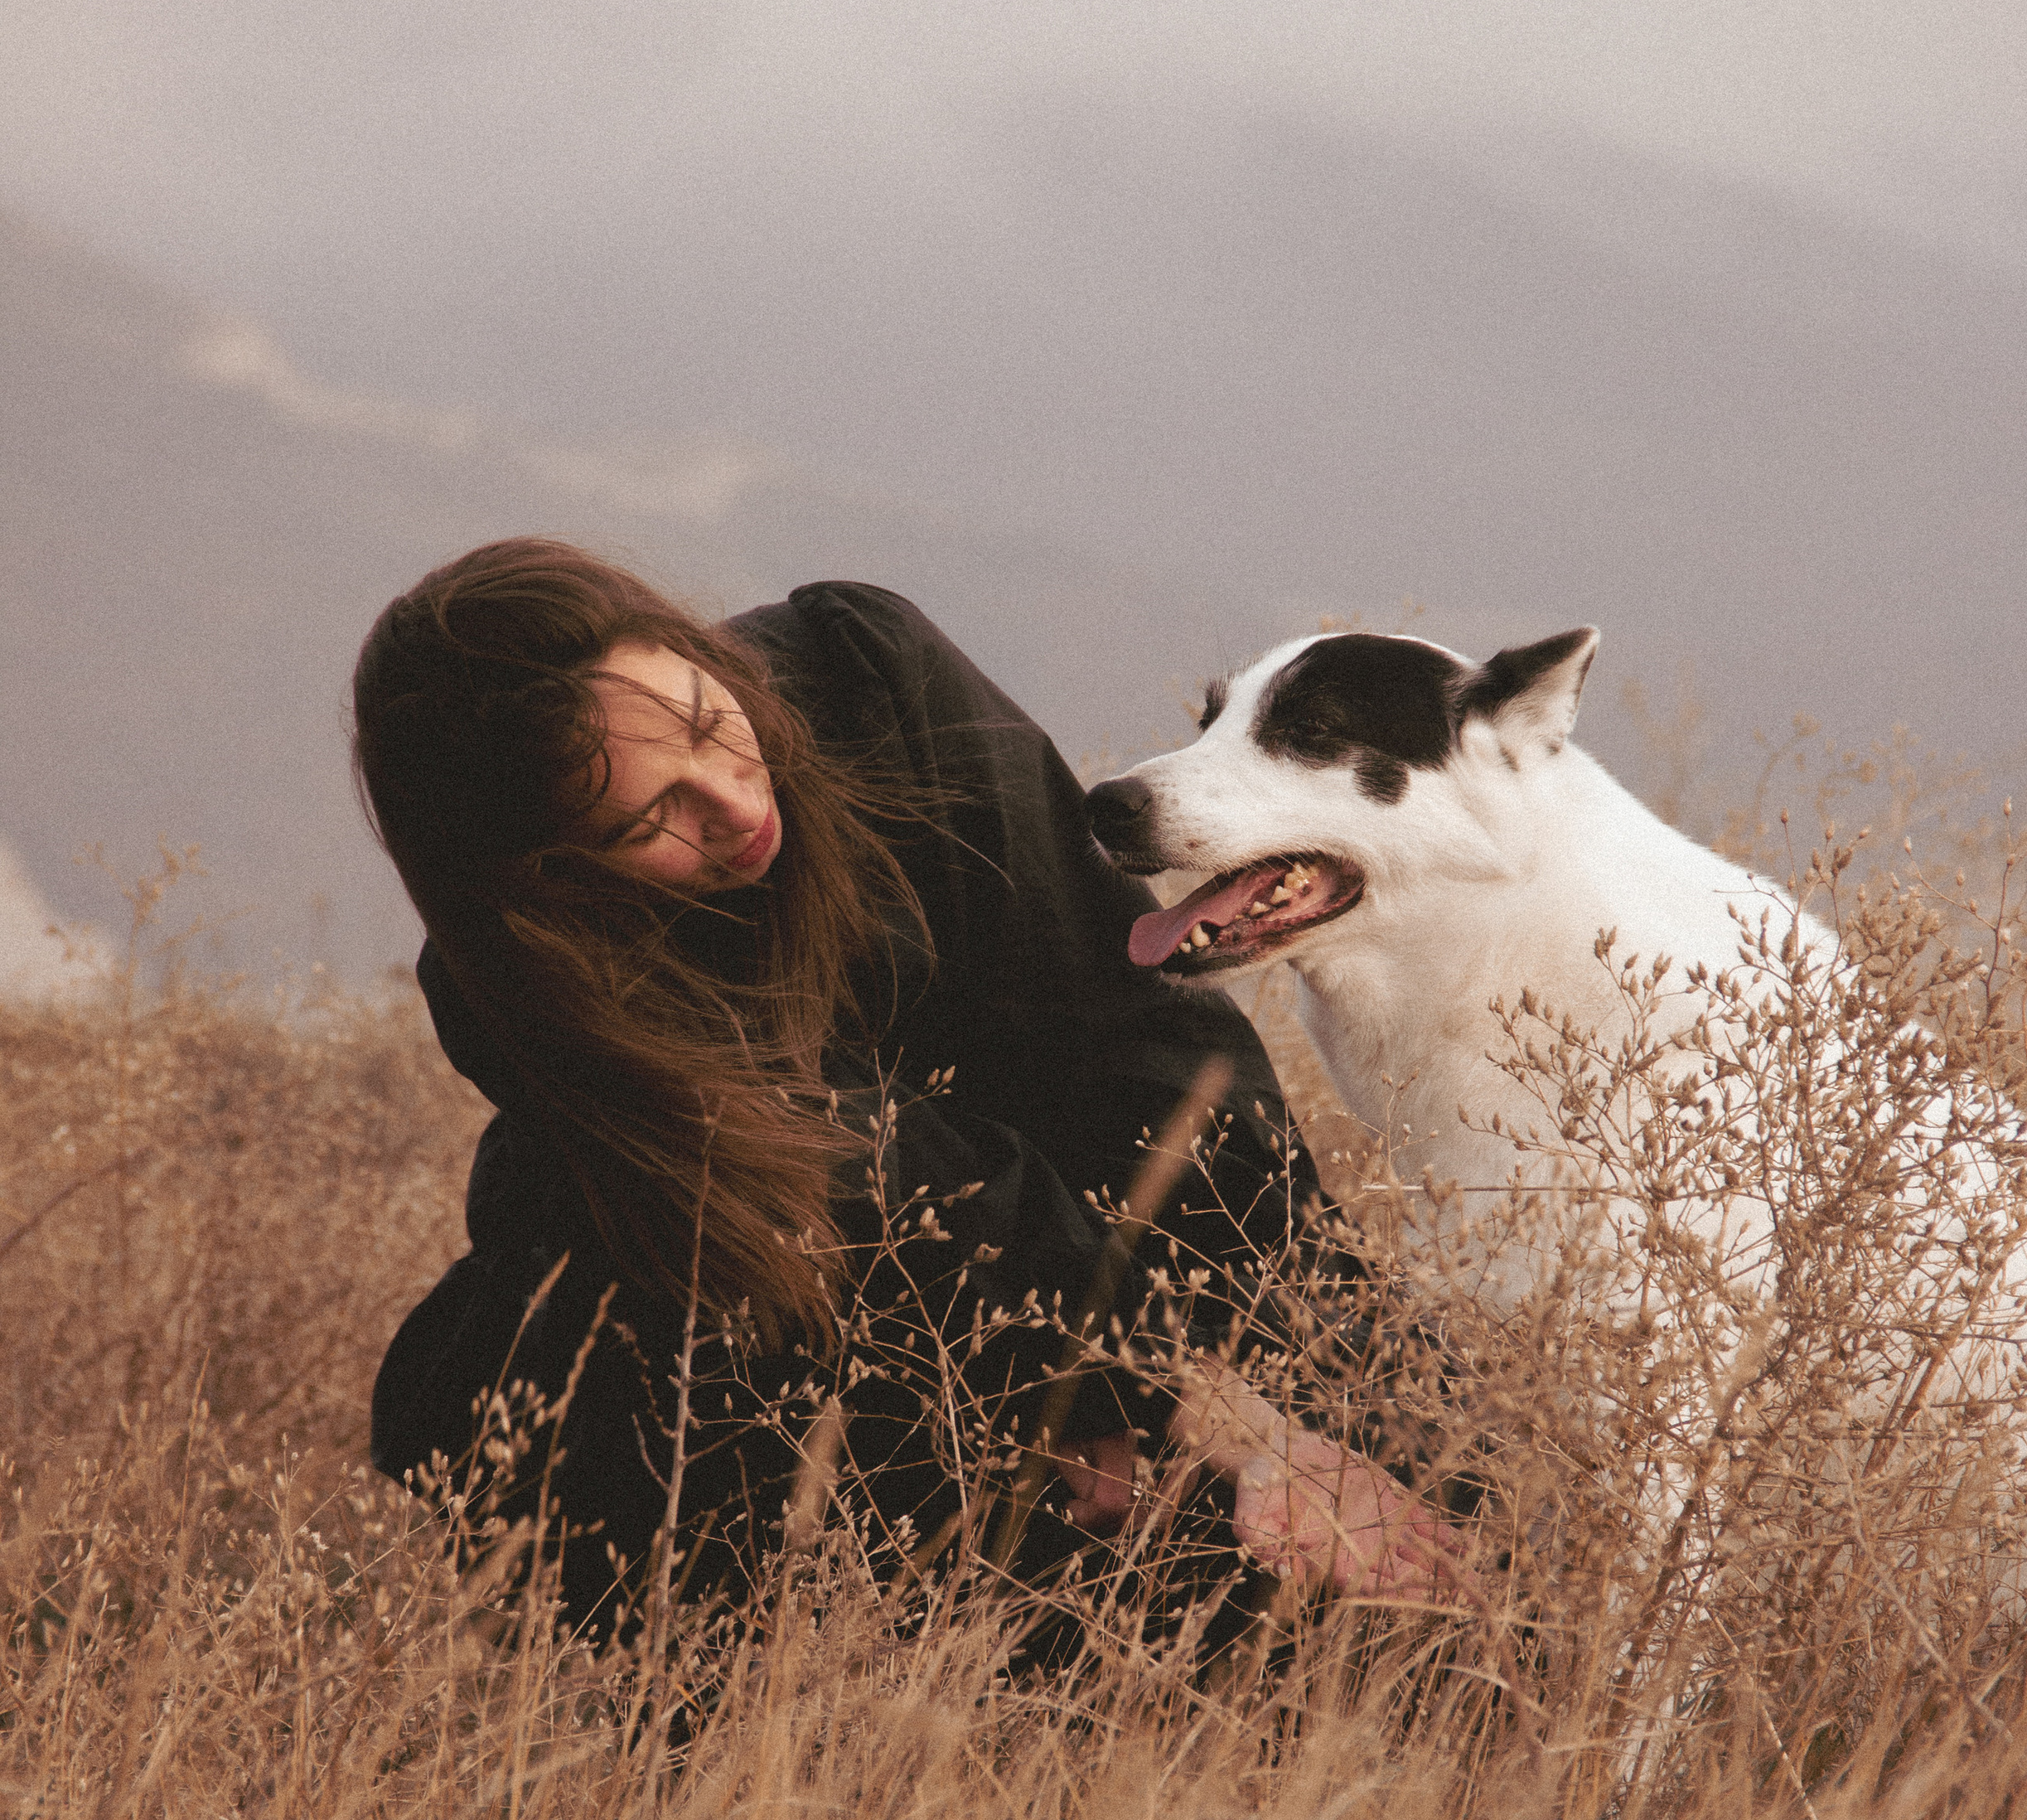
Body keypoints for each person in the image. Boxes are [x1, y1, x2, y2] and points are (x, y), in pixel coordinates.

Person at [354, 540, 1450, 1645]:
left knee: (1437, 1485)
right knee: (593, 1328)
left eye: (702, 726)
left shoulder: (859, 678)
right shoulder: (533, 978)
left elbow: (1132, 1036)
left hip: (1093, 1237)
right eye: (652, 825)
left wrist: (1316, 1370)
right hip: (828, 1313)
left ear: (692, 651)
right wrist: (1118, 1390)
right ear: (554, 879)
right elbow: (857, 1172)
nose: (733, 804)